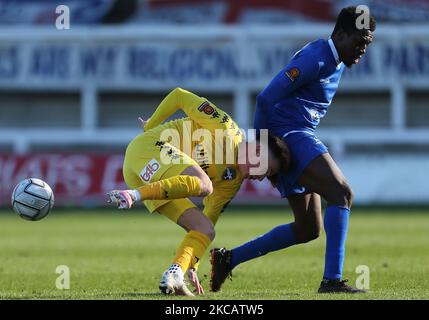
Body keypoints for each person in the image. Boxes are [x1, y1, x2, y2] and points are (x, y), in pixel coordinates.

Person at [210, 6, 376, 294]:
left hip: (294, 138)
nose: (362, 51)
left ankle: (228, 259)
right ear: (340, 35)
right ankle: (332, 281)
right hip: (291, 136)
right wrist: (260, 148)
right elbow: (264, 99)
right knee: (342, 193)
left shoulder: (332, 59)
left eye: (366, 44)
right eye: (359, 42)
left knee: (308, 229)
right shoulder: (316, 58)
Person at [107, 87, 290, 296]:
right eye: (267, 170)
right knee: (204, 184)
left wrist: (192, 263)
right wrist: (151, 124)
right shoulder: (225, 127)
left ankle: (175, 274)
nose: (261, 178)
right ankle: (134, 195)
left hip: (143, 176)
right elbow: (178, 96)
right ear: (258, 151)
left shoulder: (233, 181)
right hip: (147, 148)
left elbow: (208, 218)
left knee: (206, 229)